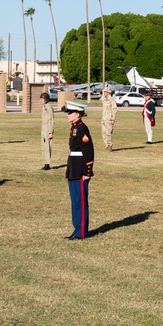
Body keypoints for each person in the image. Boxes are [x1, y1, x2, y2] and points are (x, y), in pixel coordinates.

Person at [62, 100, 94, 240]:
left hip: (80, 168)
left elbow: (88, 151)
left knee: (80, 201)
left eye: (70, 113)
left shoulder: (81, 128)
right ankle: (77, 230)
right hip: (74, 167)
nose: (67, 115)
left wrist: (87, 172)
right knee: (75, 200)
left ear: (78, 114)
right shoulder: (75, 127)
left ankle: (81, 233)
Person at [40, 92, 54, 170]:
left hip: (48, 130)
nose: (41, 101)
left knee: (47, 147)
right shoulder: (44, 107)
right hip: (44, 129)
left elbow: (51, 120)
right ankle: (45, 162)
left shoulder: (48, 107)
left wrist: (50, 132)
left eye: (42, 99)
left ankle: (47, 164)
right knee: (44, 146)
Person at [101, 87, 117, 151]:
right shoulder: (104, 99)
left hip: (109, 119)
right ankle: (106, 145)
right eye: (104, 92)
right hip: (104, 118)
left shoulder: (111, 100)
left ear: (108, 92)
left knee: (108, 132)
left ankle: (110, 145)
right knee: (104, 132)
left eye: (105, 92)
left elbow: (114, 109)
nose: (104, 93)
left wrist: (113, 119)